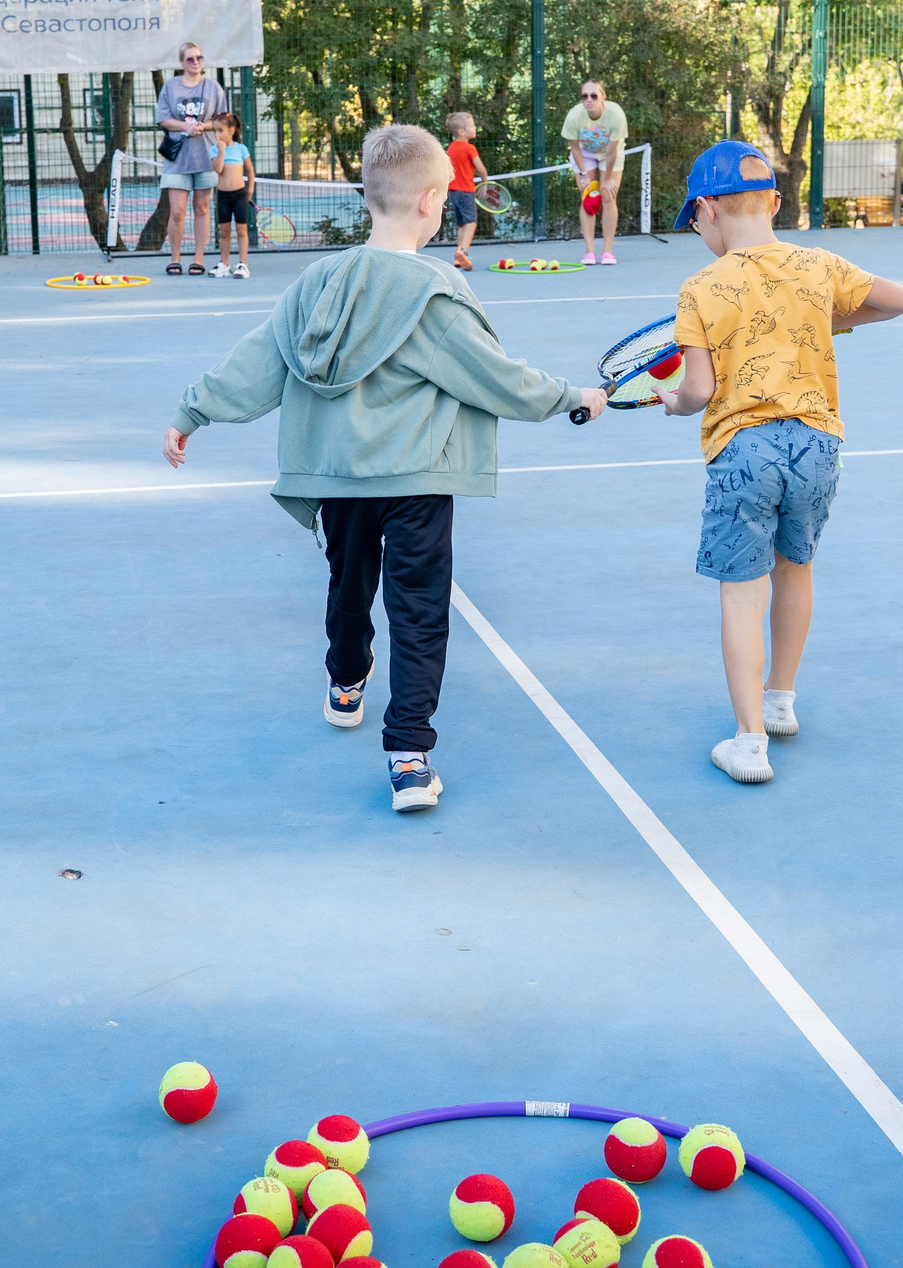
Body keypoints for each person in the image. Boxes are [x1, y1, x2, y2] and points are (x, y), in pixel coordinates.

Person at [161, 123, 606, 813]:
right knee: (420, 609)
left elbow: (260, 358)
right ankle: (408, 753)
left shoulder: (318, 282)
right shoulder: (435, 297)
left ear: (371, 198)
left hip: (337, 475)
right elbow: (495, 378)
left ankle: (345, 679)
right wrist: (572, 395)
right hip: (418, 477)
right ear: (432, 203)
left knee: (349, 581)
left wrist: (192, 412)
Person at [654, 142, 903, 784]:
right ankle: (780, 699)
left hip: (745, 448)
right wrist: (834, 319)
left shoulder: (701, 287)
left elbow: (699, 390)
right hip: (818, 445)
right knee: (795, 567)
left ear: (706, 211)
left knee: (742, 592)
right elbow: (900, 299)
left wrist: (675, 406)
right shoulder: (817, 264)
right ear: (773, 203)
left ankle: (747, 742)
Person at [155, 43, 229, 276]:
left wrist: (203, 126)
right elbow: (164, 119)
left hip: (206, 157)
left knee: (202, 207)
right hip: (177, 160)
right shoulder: (171, 87)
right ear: (181, 63)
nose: (196, 62)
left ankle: (198, 258)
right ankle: (175, 258)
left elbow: (222, 121)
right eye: (190, 59)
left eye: (199, 57)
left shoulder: (213, 88)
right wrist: (186, 126)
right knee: (177, 210)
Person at [561, 80, 629, 266]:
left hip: (610, 153)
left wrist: (606, 179)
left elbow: (612, 150)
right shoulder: (574, 116)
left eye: (594, 95)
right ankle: (589, 252)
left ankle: (607, 251)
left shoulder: (615, 115)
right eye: (585, 96)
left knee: (608, 196)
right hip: (584, 154)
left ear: (603, 97)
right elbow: (574, 148)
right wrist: (583, 174)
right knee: (588, 198)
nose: (589, 100)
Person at [210, 113, 255, 279]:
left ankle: (242, 264)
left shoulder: (241, 149)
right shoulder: (214, 149)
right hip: (223, 197)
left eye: (220, 130)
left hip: (239, 196)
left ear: (231, 130)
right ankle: (225, 264)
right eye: (214, 131)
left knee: (242, 230)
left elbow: (250, 171)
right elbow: (218, 169)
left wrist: (249, 190)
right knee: (224, 232)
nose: (217, 135)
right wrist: (221, 151)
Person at [443, 111, 485, 271]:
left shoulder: (451, 148)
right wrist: (485, 182)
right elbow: (481, 169)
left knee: (461, 224)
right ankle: (463, 251)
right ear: (462, 132)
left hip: (452, 192)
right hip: (466, 191)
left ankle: (458, 258)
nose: (475, 128)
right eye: (472, 126)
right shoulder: (470, 148)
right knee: (471, 222)